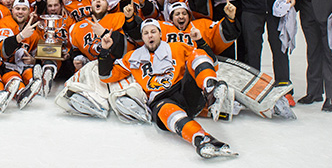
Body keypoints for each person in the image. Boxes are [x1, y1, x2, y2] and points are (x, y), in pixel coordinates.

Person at [98, 19, 236, 158]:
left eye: (153, 32)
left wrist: (200, 41)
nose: (150, 35)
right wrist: (104, 51)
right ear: (142, 36)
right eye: (145, 33)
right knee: (167, 111)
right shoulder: (133, 57)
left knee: (197, 53)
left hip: (185, 91)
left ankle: (211, 89)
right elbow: (106, 76)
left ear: (160, 33)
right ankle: (202, 139)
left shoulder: (177, 47)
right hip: (161, 99)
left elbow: (212, 63)